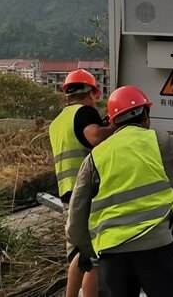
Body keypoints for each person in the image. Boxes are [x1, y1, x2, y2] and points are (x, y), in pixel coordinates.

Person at [67, 85, 173, 297]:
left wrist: (85, 250)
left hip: (113, 253)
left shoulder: (95, 157)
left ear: (112, 121)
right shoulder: (159, 141)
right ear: (145, 115)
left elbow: (76, 214)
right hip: (155, 248)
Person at [49, 69, 116, 297]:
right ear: (92, 93)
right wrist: (116, 127)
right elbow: (95, 137)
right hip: (89, 191)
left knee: (81, 253)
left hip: (68, 191)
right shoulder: (85, 112)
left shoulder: (57, 122)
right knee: (96, 258)